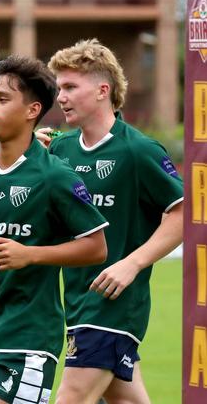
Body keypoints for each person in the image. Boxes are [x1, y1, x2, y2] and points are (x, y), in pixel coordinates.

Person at [0, 56, 109, 404]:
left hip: (33, 335)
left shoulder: (55, 176)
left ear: (32, 110)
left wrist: (30, 255)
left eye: (3, 99)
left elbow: (96, 247)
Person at [38, 39, 184, 404]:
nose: (61, 97)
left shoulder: (139, 151)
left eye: (71, 87)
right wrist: (31, 160)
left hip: (115, 304)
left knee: (71, 397)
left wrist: (132, 264)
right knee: (127, 400)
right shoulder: (60, 149)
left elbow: (187, 214)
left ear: (103, 91)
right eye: (59, 88)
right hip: (76, 300)